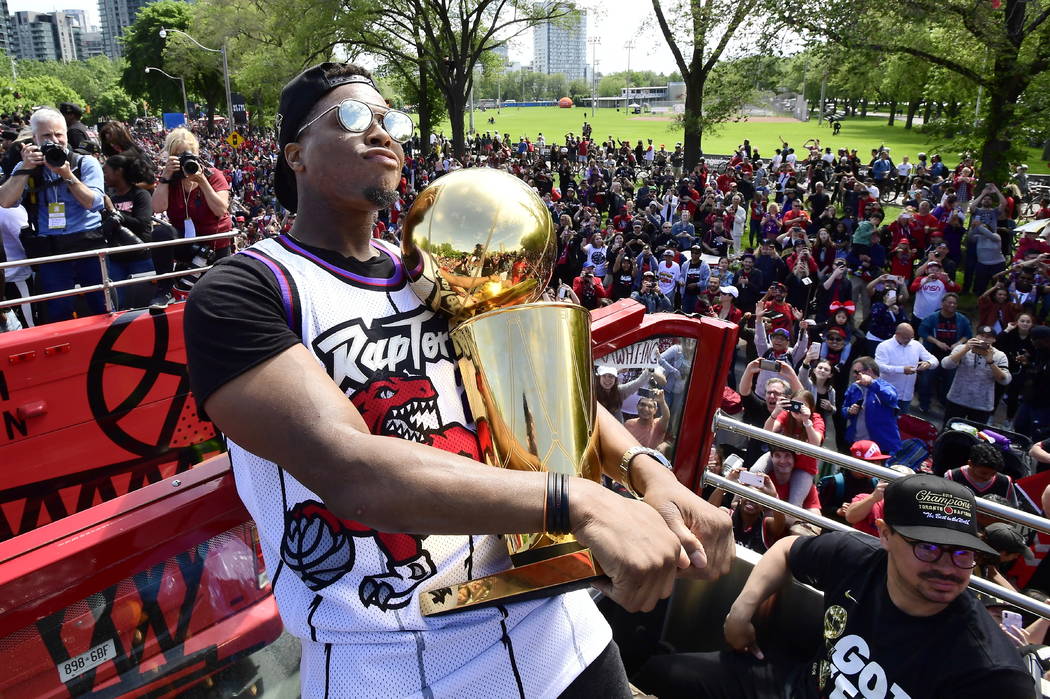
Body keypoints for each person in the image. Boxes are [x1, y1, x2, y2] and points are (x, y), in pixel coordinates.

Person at [183, 63, 734, 697]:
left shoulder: (430, 263)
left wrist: (648, 473)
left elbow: (534, 385)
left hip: (560, 630)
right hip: (395, 661)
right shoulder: (246, 292)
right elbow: (352, 471)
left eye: (390, 120)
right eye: (353, 118)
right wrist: (581, 500)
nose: (382, 132)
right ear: (294, 155)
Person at [635, 474, 1031, 698]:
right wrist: (740, 611)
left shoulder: (991, 675)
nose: (948, 568)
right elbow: (788, 549)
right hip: (795, 686)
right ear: (885, 535)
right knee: (659, 672)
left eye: (962, 554)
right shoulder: (858, 558)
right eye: (928, 548)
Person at [0, 107, 106, 323]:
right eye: (46, 136)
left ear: (66, 134)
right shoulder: (28, 167)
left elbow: (94, 203)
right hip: (52, 250)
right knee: (57, 312)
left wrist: (67, 174)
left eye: (59, 134)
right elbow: (5, 201)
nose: (54, 141)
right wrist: (25, 169)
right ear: (35, 138)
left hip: (88, 245)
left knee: (103, 306)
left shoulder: (85, 163)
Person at [151, 127, 234, 300]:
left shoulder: (213, 176)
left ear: (197, 154)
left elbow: (221, 210)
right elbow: (157, 208)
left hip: (215, 244)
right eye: (179, 155)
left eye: (189, 155)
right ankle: (164, 290)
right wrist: (165, 178)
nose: (185, 160)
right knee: (160, 232)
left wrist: (203, 182)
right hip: (187, 243)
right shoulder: (170, 179)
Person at [101, 151, 155, 309]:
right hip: (116, 259)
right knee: (120, 303)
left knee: (144, 302)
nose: (104, 176)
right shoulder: (108, 197)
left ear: (119, 172)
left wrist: (115, 213)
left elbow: (142, 223)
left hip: (140, 256)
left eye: (106, 171)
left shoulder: (140, 195)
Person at [941, 325, 1011, 426]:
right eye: (981, 335)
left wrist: (991, 362)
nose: (984, 339)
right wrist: (965, 349)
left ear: (994, 340)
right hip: (957, 399)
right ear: (976, 336)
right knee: (948, 431)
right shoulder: (962, 348)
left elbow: (1005, 380)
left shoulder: (1000, 355)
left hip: (982, 405)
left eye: (988, 337)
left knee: (974, 437)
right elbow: (946, 364)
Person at [842, 356, 901, 457]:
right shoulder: (854, 387)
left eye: (857, 372)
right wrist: (849, 410)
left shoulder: (886, 387)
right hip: (856, 442)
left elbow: (890, 397)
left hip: (880, 446)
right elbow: (844, 410)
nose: (854, 375)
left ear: (868, 371)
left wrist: (871, 384)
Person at [874, 323, 937, 413]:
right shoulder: (884, 346)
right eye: (906, 337)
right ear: (897, 334)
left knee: (903, 424)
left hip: (907, 396)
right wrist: (902, 370)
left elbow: (934, 360)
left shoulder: (916, 345)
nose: (909, 340)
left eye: (911, 337)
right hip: (888, 394)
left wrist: (928, 363)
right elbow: (879, 367)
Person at [946, 442, 1019, 509]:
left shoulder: (1005, 482)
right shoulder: (953, 477)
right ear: (970, 464)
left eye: (993, 474)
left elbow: (1013, 509)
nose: (988, 477)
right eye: (983, 473)